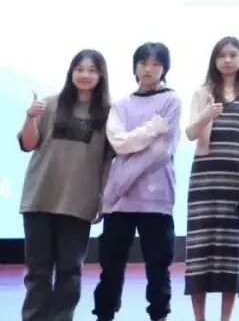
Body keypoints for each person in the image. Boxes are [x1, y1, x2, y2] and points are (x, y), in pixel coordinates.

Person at [19, 49, 112, 321]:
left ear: (101, 76)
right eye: (79, 69)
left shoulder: (109, 113)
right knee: (38, 272)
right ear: (71, 72)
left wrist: (103, 198)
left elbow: (108, 162)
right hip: (40, 197)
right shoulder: (49, 104)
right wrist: (30, 117)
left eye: (92, 70)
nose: (85, 75)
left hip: (79, 202)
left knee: (70, 273)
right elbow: (28, 144)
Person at [92, 42, 183, 321]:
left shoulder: (171, 101)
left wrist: (120, 181)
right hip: (120, 202)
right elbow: (119, 144)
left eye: (156, 64)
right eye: (143, 63)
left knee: (158, 265)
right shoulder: (121, 105)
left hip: (156, 198)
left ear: (165, 69)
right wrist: (151, 128)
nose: (148, 69)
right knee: (111, 264)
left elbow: (160, 152)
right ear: (135, 66)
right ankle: (104, 314)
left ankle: (159, 315)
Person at [184, 36, 239, 321]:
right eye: (222, 55)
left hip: (235, 180)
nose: (227, 60)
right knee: (199, 254)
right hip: (204, 180)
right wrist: (206, 114)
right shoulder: (202, 92)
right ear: (214, 60)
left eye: (233, 55)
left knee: (232, 257)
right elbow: (190, 133)